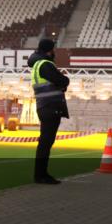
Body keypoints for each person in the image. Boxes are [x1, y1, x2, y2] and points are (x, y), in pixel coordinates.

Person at [28, 38, 70, 184]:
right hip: (51, 106)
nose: (54, 52)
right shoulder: (45, 64)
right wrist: (64, 82)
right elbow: (62, 80)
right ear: (49, 50)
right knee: (46, 142)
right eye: (53, 49)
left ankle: (40, 174)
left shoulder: (37, 64)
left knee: (45, 142)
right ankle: (41, 175)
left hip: (44, 106)